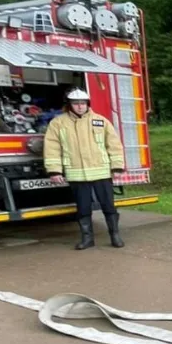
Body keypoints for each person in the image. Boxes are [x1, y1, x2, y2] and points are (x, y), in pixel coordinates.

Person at [44, 88, 126, 249]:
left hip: (101, 171)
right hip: (77, 174)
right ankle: (87, 239)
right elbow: (52, 148)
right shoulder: (58, 123)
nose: (80, 107)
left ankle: (115, 236)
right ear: (69, 105)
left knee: (109, 206)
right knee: (83, 209)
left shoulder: (100, 121)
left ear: (88, 104)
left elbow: (114, 145)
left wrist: (117, 167)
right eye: (76, 104)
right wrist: (55, 171)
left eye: (83, 103)